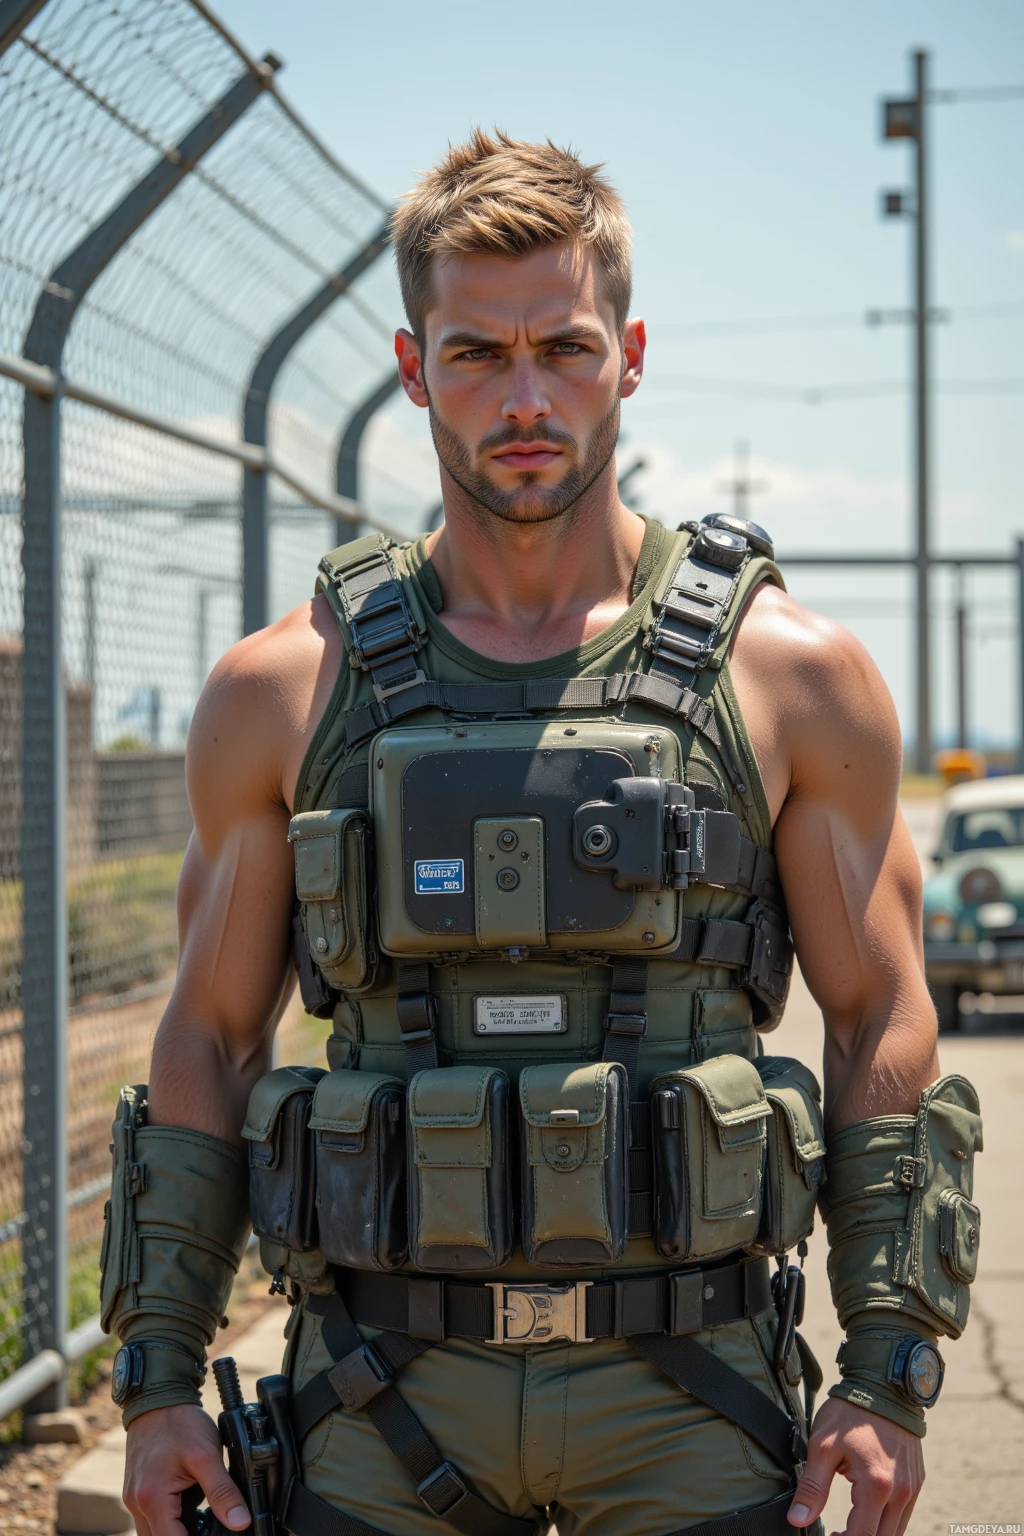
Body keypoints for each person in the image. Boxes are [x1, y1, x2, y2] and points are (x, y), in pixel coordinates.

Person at [107, 132, 981, 1536]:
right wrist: (156, 1388)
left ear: (630, 354)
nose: (526, 399)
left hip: (692, 1405)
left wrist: (884, 1379)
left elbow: (881, 1013)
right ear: (412, 367)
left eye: (564, 349)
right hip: (378, 1405)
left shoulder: (789, 676)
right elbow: (207, 1039)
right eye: (476, 355)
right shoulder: (283, 690)